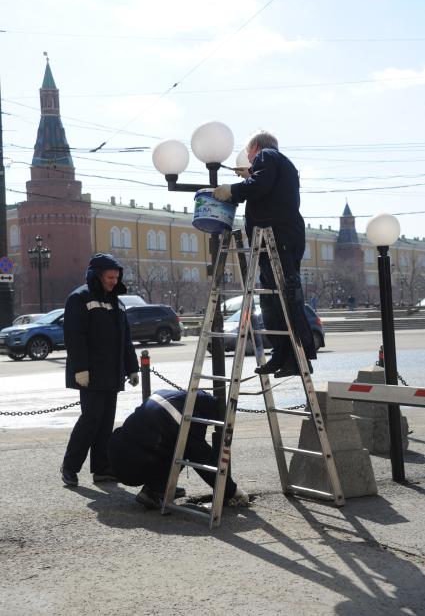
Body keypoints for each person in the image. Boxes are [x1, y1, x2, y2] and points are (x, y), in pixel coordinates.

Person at [213, 130, 316, 378]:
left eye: (249, 154)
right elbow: (267, 186)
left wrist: (234, 190)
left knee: (284, 297)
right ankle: (281, 354)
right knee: (273, 300)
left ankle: (296, 356)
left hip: (277, 237)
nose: (248, 159)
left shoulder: (267, 155)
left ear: (256, 146)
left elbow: (262, 185)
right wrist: (250, 177)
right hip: (280, 237)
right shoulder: (279, 162)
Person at [60, 253, 140, 487]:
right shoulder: (79, 298)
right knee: (90, 420)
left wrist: (132, 367)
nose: (114, 281)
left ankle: (102, 469)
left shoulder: (117, 302)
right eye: (110, 277)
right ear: (97, 276)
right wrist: (81, 369)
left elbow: (126, 339)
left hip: (112, 372)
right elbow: (75, 337)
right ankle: (70, 467)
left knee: (106, 423)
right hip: (91, 374)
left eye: (116, 277)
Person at [108, 388, 249, 509]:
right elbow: (204, 463)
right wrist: (233, 491)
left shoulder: (165, 394)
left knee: (169, 443)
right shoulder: (186, 421)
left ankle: (155, 489)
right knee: (182, 450)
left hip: (115, 455)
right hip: (133, 469)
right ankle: (156, 490)